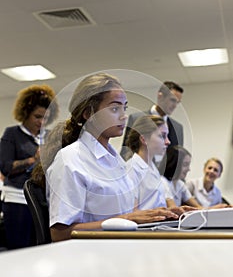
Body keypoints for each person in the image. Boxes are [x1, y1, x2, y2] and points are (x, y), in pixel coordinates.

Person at [33, 73, 179, 242]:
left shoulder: (116, 160)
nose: (124, 116)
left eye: (124, 108)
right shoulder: (70, 160)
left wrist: (164, 215)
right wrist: (127, 219)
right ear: (88, 113)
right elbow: (60, 234)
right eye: (115, 109)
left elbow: (124, 215)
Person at [0, 84, 59, 249]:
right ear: (25, 114)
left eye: (46, 118)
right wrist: (34, 159)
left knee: (40, 247)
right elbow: (5, 167)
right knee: (19, 247)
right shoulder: (12, 134)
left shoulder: (48, 136)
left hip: (42, 200)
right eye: (37, 117)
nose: (42, 122)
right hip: (17, 199)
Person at [125, 115, 195, 215]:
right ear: (144, 139)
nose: (168, 142)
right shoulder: (131, 169)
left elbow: (155, 206)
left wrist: (170, 211)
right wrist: (161, 213)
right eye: (162, 136)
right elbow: (132, 213)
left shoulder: (153, 169)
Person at [120, 81, 184, 160]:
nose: (175, 105)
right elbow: (126, 150)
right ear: (160, 96)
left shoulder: (177, 128)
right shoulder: (136, 119)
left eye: (178, 102)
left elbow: (177, 160)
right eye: (173, 100)